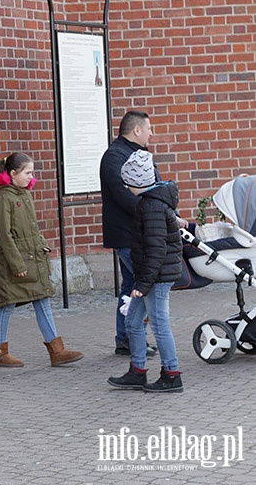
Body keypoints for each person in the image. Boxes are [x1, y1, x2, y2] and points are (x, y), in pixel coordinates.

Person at [0, 152, 83, 368]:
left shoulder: (25, 195)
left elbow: (32, 227)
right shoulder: (4, 198)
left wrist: (42, 248)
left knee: (42, 299)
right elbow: (4, 234)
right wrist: (17, 264)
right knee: (6, 304)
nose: (32, 177)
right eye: (27, 173)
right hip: (15, 261)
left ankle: (56, 350)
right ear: (12, 173)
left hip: (33, 257)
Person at [100, 110, 176, 356]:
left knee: (132, 284)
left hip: (139, 232)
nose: (151, 133)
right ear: (136, 130)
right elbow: (125, 197)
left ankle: (126, 338)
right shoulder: (115, 157)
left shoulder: (133, 154)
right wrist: (157, 214)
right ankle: (134, 340)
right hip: (128, 234)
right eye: (149, 128)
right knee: (145, 286)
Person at [108, 150, 183, 392]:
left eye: (127, 182)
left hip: (155, 278)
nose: (125, 187)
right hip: (150, 276)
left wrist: (142, 285)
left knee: (160, 326)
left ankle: (172, 374)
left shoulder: (151, 207)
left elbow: (156, 250)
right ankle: (137, 371)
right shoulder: (151, 203)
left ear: (135, 182)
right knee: (132, 321)